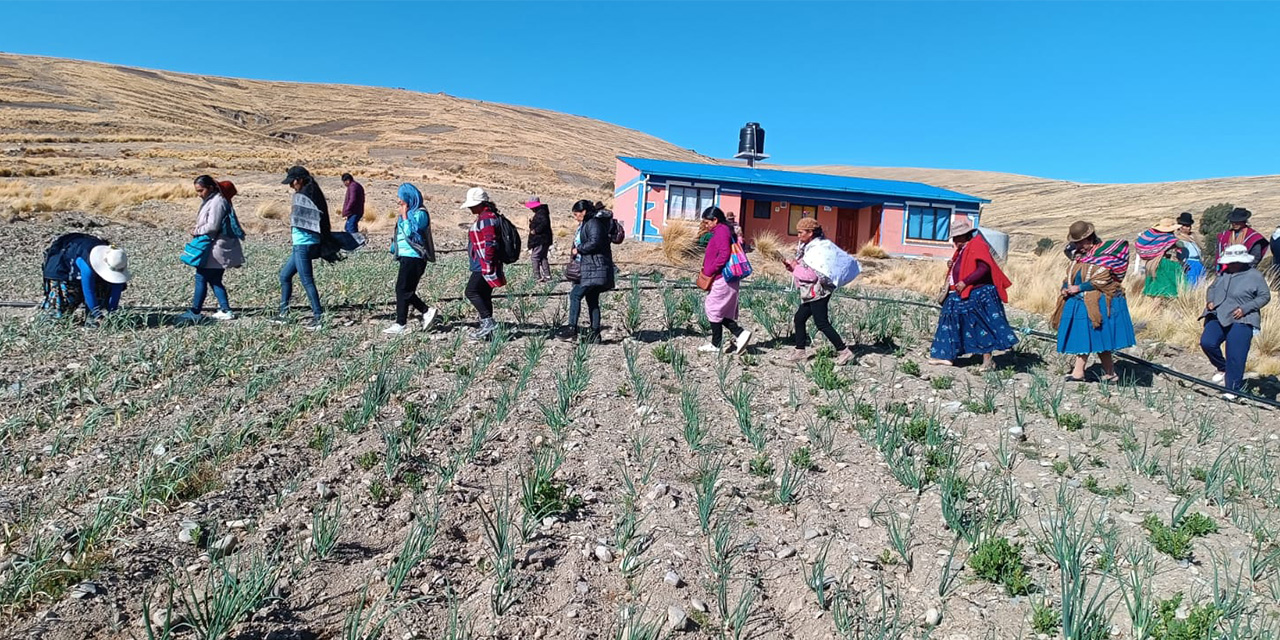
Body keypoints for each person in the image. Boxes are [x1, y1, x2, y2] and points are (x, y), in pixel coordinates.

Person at [928, 217, 1018, 370]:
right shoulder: (962, 250)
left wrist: (965, 281)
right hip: (962, 294)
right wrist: (953, 264)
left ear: (965, 235)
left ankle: (988, 360)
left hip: (978, 294)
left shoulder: (977, 245)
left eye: (957, 237)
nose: (955, 240)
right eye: (954, 237)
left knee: (981, 325)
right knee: (949, 321)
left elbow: (983, 268)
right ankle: (946, 355)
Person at [1052, 221, 1136, 383]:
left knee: (1091, 338)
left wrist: (1080, 287)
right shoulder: (1080, 258)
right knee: (1094, 339)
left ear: (1089, 239)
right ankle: (1108, 373)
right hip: (1081, 302)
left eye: (1079, 242)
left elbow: (1103, 280)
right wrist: (1065, 287)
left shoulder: (1103, 257)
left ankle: (1082, 373)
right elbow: (1070, 276)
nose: (1077, 246)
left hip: (1096, 304)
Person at [1200, 244, 1272, 399]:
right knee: (1208, 342)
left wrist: (1246, 308)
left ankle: (1233, 389)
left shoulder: (1255, 276)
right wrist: (1210, 301)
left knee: (1236, 354)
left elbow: (1264, 296)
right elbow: (1211, 289)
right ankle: (1223, 367)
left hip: (1243, 319)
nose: (1230, 265)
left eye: (1234, 262)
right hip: (1218, 314)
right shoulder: (1223, 273)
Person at [783, 217, 857, 364]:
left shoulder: (815, 250)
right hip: (815, 291)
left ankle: (844, 351)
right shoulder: (813, 247)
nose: (798, 236)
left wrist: (794, 268)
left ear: (810, 233)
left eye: (800, 232)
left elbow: (810, 275)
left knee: (822, 323)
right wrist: (794, 267)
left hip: (818, 292)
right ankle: (800, 351)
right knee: (799, 318)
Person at [178, 175, 244, 324]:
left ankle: (195, 311)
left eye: (201, 191)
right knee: (215, 280)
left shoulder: (217, 202)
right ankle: (225, 310)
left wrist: (197, 230)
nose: (199, 194)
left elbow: (213, 225)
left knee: (201, 276)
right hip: (218, 246)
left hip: (216, 246)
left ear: (211, 188)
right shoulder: (214, 200)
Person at [273, 165, 330, 330]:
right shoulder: (309, 193)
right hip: (303, 243)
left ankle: (319, 317)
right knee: (285, 276)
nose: (291, 186)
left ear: (300, 180)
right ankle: (283, 313)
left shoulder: (304, 195)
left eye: (293, 182)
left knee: (307, 281)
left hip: (303, 244)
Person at [40, 233, 131, 324]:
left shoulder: (117, 261)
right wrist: (97, 314)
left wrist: (112, 313)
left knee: (103, 288)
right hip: (61, 265)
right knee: (63, 305)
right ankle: (54, 316)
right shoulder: (88, 266)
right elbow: (88, 289)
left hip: (81, 254)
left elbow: (116, 288)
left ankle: (91, 319)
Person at [385, 183, 439, 335]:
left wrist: (404, 215)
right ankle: (425, 312)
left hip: (415, 257)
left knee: (402, 289)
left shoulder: (420, 214)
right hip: (406, 256)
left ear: (409, 197)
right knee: (405, 290)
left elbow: (411, 234)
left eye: (401, 197)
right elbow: (400, 235)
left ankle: (403, 322)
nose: (398, 201)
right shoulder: (408, 213)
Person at [558, 200, 616, 342]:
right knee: (592, 300)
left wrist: (579, 249)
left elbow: (595, 242)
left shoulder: (593, 223)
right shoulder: (589, 223)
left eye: (576, 214)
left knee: (575, 295)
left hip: (594, 268)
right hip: (593, 268)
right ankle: (595, 334)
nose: (575, 217)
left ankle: (572, 328)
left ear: (583, 212)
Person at [698, 206, 752, 354]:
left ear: (715, 220)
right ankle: (728, 338)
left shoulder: (721, 231)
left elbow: (724, 254)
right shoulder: (723, 230)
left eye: (707, 222)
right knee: (718, 310)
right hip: (725, 278)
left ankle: (734, 336)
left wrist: (711, 270)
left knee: (713, 308)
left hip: (722, 277)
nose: (706, 225)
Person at [463, 186, 505, 340]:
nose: (470, 208)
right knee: (484, 294)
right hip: (483, 262)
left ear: (480, 204)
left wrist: (487, 262)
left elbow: (490, 241)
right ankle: (487, 330)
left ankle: (488, 322)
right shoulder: (486, 216)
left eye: (472, 205)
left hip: (483, 263)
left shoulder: (487, 217)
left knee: (471, 291)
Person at [1135, 218, 1184, 299]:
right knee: (1164, 292)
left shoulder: (1155, 237)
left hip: (1153, 264)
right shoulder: (1168, 237)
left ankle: (1153, 310)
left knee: (1157, 291)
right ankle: (1156, 309)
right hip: (1165, 265)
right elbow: (1181, 245)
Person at [525, 197, 553, 283]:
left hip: (540, 239)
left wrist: (535, 230)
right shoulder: (543, 212)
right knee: (542, 257)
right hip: (545, 239)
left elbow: (544, 224)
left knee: (535, 257)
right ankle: (547, 276)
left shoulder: (541, 213)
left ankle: (537, 276)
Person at [1176, 212, 1205, 287]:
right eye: (1185, 225)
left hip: (1199, 263)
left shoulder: (1193, 236)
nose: (1188, 228)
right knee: (1190, 285)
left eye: (1189, 226)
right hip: (1188, 264)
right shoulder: (1178, 237)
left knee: (1201, 285)